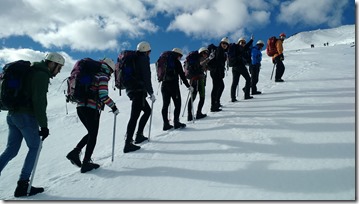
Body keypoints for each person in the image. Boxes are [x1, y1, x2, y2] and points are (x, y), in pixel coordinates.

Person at [0, 52, 65, 197]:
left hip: (13, 115)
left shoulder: (31, 70)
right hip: (26, 116)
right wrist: (44, 126)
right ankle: (23, 185)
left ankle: (22, 184)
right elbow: (39, 101)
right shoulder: (41, 75)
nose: (59, 71)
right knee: (35, 147)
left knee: (11, 150)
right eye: (59, 67)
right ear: (52, 63)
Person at [66, 58, 119, 173]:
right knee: (93, 135)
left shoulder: (93, 74)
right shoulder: (103, 76)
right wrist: (113, 106)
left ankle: (75, 152)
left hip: (80, 107)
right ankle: (86, 162)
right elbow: (103, 95)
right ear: (110, 69)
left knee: (91, 133)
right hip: (92, 108)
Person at [123, 41, 156, 153]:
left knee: (147, 111)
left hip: (131, 89)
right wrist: (151, 93)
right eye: (149, 51)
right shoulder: (143, 59)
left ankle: (138, 135)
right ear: (146, 50)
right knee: (134, 116)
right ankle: (128, 142)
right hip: (138, 90)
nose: (150, 53)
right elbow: (147, 76)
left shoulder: (133, 58)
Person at [162, 48, 192, 130]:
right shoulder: (176, 62)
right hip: (173, 86)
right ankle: (176, 122)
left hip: (164, 85)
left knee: (165, 105)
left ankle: (165, 124)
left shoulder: (164, 61)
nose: (180, 58)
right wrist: (188, 86)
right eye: (180, 56)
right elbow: (182, 76)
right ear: (178, 55)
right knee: (178, 104)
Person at [187, 47, 214, 121]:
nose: (206, 54)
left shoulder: (196, 59)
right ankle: (197, 113)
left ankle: (190, 115)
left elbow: (204, 66)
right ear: (201, 53)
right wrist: (209, 59)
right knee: (200, 96)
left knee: (193, 97)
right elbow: (201, 64)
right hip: (198, 79)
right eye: (205, 53)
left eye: (206, 53)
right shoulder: (199, 58)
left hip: (194, 79)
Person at [208, 37, 229, 112]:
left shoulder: (222, 51)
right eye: (223, 43)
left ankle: (216, 103)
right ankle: (213, 106)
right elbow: (219, 63)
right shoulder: (219, 50)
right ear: (221, 43)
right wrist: (221, 73)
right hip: (216, 72)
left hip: (216, 72)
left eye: (226, 44)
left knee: (220, 86)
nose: (225, 45)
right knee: (216, 88)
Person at [230, 36, 254, 102]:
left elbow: (246, 47)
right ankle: (246, 95)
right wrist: (251, 40)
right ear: (239, 42)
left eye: (244, 43)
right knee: (248, 79)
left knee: (235, 83)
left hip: (234, 67)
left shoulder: (236, 48)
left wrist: (251, 40)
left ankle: (233, 98)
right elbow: (246, 47)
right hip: (240, 66)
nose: (243, 44)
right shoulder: (239, 48)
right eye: (242, 42)